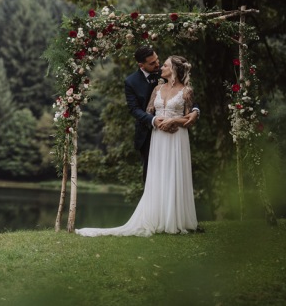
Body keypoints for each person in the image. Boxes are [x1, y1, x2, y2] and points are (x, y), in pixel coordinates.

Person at [76, 55, 200, 236]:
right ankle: (156, 217)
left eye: (164, 65)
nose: (161, 68)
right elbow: (148, 111)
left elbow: (189, 118)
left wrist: (174, 120)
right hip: (158, 137)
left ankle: (175, 219)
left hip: (177, 137)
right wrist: (156, 121)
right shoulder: (157, 88)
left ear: (173, 70)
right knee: (157, 175)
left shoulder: (187, 91)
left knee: (175, 173)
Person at [125, 46, 198, 183]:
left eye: (157, 60)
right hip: (149, 132)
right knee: (152, 178)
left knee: (175, 175)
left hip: (176, 132)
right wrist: (154, 120)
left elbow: (187, 96)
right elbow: (134, 109)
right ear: (141, 65)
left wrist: (195, 111)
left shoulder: (167, 71)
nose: (157, 65)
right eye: (152, 63)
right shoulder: (131, 82)